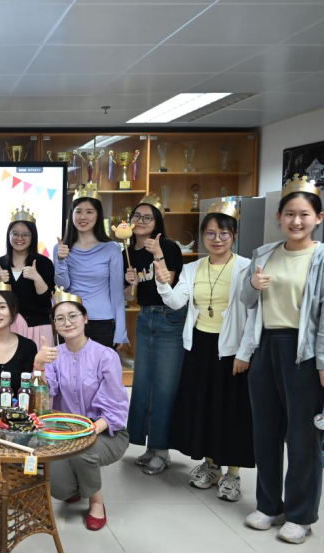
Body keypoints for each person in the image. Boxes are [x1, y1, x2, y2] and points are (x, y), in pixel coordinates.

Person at [241, 174, 324, 545]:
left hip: (304, 352)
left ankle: (301, 515)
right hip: (265, 347)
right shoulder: (264, 253)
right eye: (289, 214)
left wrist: (322, 361)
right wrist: (252, 286)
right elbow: (246, 301)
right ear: (278, 217)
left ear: (318, 218)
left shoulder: (321, 257)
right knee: (265, 432)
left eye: (304, 214)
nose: (296, 221)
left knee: (303, 437)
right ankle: (268, 505)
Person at [156, 201, 256, 501]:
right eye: (210, 233)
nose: (217, 239)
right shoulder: (192, 268)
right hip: (199, 345)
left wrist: (245, 353)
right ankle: (211, 465)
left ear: (234, 235)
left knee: (232, 410)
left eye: (224, 233)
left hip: (233, 350)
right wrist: (163, 283)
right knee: (204, 405)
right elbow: (176, 302)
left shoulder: (247, 267)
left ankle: (233, 473)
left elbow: (254, 314)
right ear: (202, 236)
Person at [46, 288, 129, 532]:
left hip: (106, 431)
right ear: (55, 325)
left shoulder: (105, 355)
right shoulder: (53, 356)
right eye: (60, 318)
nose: (67, 322)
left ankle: (96, 501)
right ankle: (77, 485)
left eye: (73, 316)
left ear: (85, 318)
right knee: (60, 490)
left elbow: (116, 406)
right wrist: (39, 364)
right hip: (66, 432)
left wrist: (88, 432)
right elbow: (44, 397)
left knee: (84, 453)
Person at [123, 194, 187, 477]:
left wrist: (158, 254)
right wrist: (131, 284)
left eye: (147, 217)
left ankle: (162, 449)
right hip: (145, 316)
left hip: (170, 317)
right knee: (143, 384)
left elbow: (168, 282)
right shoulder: (127, 252)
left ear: (157, 222)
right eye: (136, 216)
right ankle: (150, 446)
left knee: (164, 385)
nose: (140, 221)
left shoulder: (168, 246)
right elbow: (129, 297)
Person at [53, 183, 127, 348]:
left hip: (102, 322)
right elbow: (63, 286)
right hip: (71, 320)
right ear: (72, 215)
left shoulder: (111, 248)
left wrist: (120, 331)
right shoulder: (61, 248)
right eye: (78, 211)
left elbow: (117, 293)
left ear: (98, 215)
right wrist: (61, 260)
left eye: (89, 212)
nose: (83, 217)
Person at [0, 206, 56, 358]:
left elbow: (46, 301)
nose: (19, 238)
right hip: (7, 328)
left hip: (38, 327)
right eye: (15, 234)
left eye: (25, 234)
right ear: (9, 235)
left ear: (33, 237)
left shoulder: (44, 263)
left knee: (40, 370)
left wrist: (37, 278)